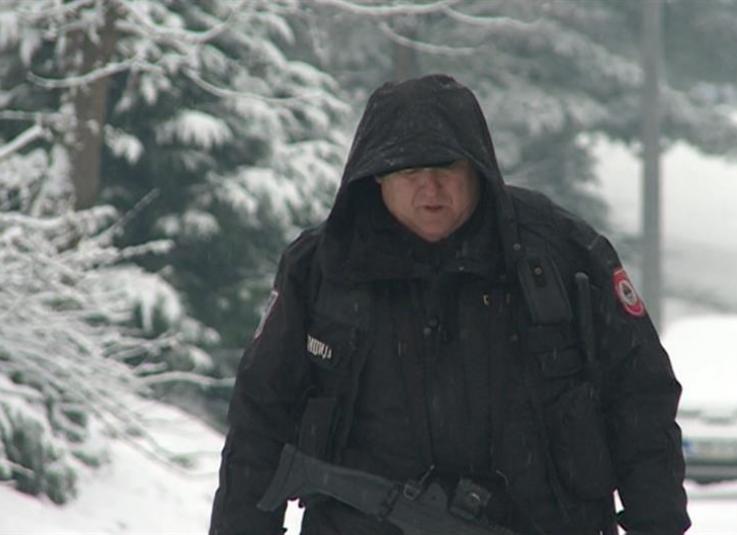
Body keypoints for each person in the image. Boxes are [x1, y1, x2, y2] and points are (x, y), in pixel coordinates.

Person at [209, 74, 690, 535]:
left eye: (445, 168)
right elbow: (260, 421)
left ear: (477, 168)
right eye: (409, 171)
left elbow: (640, 401)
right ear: (376, 178)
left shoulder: (559, 254)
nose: (430, 189)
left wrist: (658, 525)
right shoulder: (321, 270)